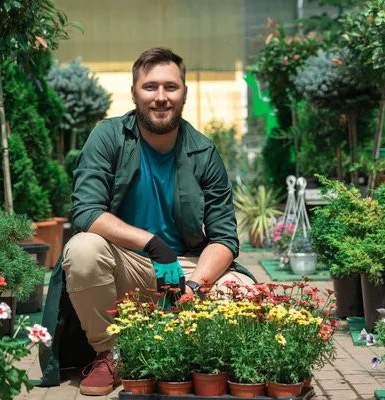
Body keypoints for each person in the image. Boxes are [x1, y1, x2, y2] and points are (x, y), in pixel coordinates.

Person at [53, 47, 255, 396]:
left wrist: (196, 286)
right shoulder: (108, 137)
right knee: (83, 249)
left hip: (185, 269)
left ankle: (198, 360)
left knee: (243, 293)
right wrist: (153, 244)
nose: (160, 97)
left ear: (184, 93)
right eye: (150, 87)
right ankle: (111, 352)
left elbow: (224, 238)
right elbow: (86, 211)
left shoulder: (203, 152)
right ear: (134, 93)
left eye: (170, 87)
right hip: (123, 266)